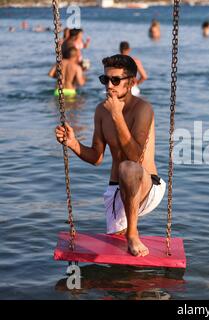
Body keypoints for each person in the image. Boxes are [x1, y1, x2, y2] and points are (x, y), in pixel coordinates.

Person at [54, 54, 166, 257]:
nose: (109, 85)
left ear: (131, 82)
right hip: (117, 190)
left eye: (116, 80)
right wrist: (72, 143)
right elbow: (96, 157)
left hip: (147, 186)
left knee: (127, 166)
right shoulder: (101, 111)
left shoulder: (142, 109)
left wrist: (117, 115)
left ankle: (133, 233)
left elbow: (134, 155)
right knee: (116, 253)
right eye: (106, 79)